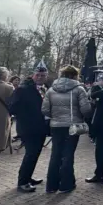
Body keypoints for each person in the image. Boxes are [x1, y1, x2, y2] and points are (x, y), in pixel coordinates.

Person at [42, 65, 92, 193]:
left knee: (56, 154)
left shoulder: (51, 90)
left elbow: (45, 110)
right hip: (72, 126)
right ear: (75, 75)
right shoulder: (79, 89)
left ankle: (51, 185)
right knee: (68, 154)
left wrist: (56, 117)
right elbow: (86, 110)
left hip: (56, 126)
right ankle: (66, 184)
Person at [10, 59, 50, 192]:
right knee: (31, 154)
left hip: (40, 127)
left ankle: (28, 177)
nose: (40, 77)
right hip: (29, 127)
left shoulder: (44, 89)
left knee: (35, 154)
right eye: (37, 75)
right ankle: (22, 182)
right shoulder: (23, 89)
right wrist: (28, 115)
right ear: (33, 75)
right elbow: (12, 107)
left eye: (43, 75)